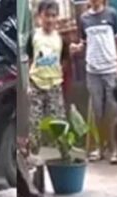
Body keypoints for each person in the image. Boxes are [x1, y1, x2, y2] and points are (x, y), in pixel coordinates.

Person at [70, 0, 117, 164]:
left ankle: (114, 149)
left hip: (110, 69)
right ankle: (99, 148)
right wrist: (76, 48)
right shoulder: (84, 18)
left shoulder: (111, 14)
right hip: (92, 71)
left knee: (112, 112)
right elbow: (84, 44)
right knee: (97, 112)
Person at [25, 0, 68, 160]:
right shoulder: (33, 36)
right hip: (36, 85)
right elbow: (30, 59)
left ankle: (65, 156)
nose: (50, 20)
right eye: (46, 16)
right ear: (39, 17)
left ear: (57, 18)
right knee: (34, 125)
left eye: (53, 16)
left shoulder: (61, 39)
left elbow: (64, 59)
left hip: (55, 87)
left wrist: (57, 75)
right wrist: (30, 83)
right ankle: (32, 158)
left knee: (59, 123)